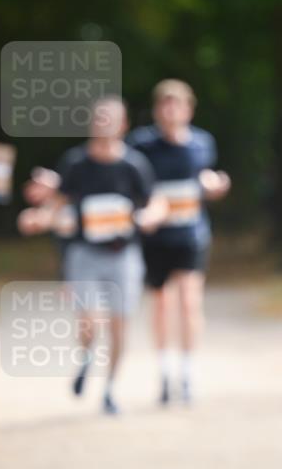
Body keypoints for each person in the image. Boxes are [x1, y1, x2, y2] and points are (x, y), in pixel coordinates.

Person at [18, 96, 161, 414]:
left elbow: (154, 201)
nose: (103, 124)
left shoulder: (134, 165)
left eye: (110, 119)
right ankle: (86, 357)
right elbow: (59, 202)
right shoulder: (76, 163)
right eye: (99, 118)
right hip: (84, 253)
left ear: (123, 125)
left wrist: (152, 215)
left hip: (124, 254)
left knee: (119, 325)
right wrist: (39, 218)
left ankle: (110, 388)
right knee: (89, 322)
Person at [128, 79, 231, 405]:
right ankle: (164, 370)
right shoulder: (141, 146)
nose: (171, 111)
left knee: (189, 302)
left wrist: (215, 186)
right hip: (156, 237)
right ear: (157, 110)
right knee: (161, 305)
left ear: (189, 109)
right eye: (165, 105)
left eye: (177, 104)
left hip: (191, 234)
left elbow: (205, 180)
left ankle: (187, 372)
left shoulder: (202, 144)